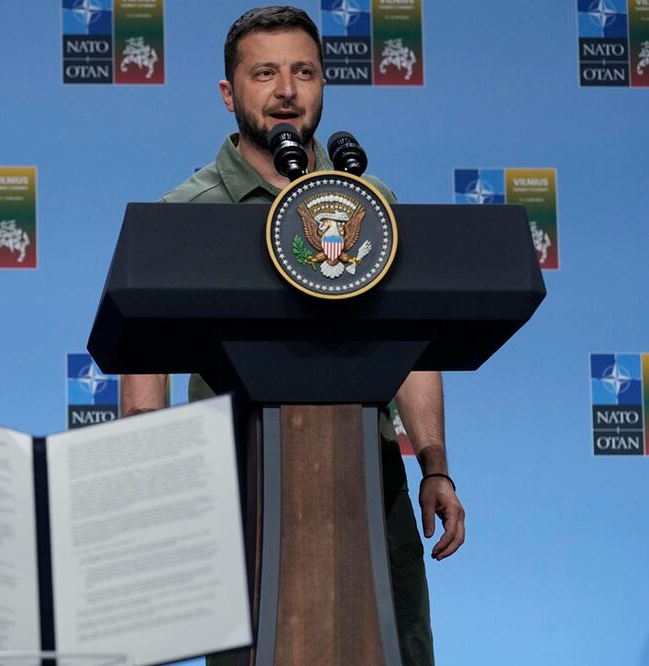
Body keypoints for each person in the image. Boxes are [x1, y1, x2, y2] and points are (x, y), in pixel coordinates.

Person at [119, 7, 464, 666]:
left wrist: (436, 465)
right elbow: (144, 377)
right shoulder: (184, 219)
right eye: (266, 73)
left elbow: (413, 352)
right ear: (229, 94)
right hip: (236, 490)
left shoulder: (372, 203)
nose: (286, 91)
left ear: (324, 85)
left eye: (303, 72)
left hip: (369, 486)